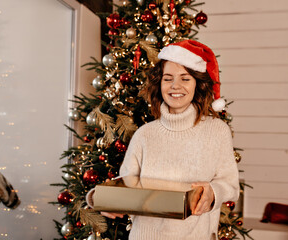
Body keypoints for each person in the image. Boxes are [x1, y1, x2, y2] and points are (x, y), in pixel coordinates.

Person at [88, 40, 239, 240]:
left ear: (197, 85)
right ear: (159, 84)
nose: (175, 86)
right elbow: (126, 183)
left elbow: (230, 185)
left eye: (185, 79)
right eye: (168, 79)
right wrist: (98, 198)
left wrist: (213, 193)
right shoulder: (145, 134)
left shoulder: (217, 132)